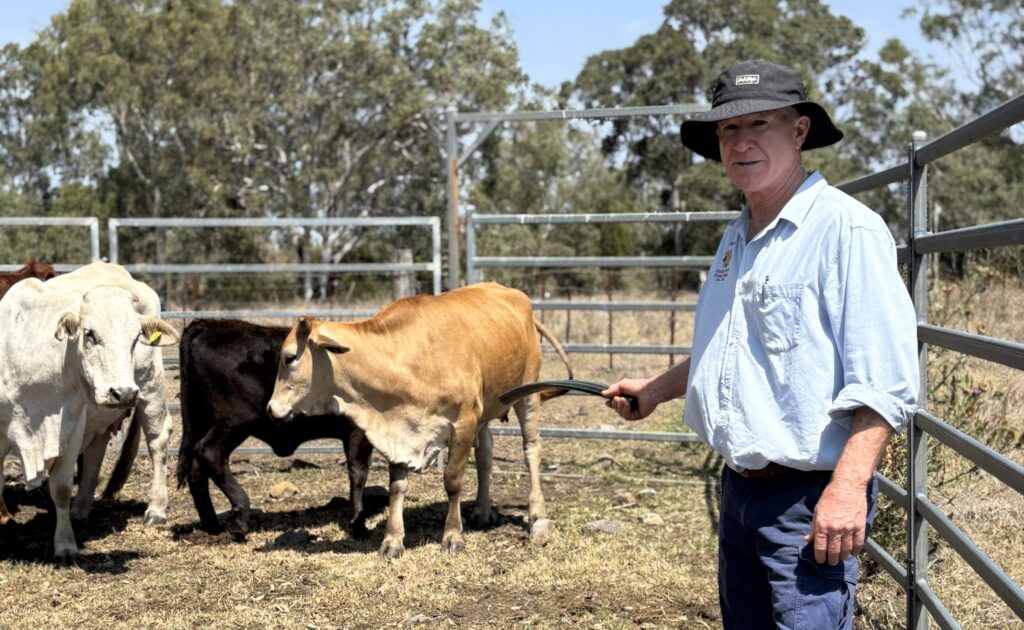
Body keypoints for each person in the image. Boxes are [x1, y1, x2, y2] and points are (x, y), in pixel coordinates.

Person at [603, 59, 919, 629]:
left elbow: (886, 383)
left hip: (806, 501)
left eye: (761, 125)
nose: (741, 142)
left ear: (799, 131)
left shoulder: (846, 230)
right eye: (728, 129)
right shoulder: (737, 236)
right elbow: (729, 348)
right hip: (741, 490)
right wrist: (654, 391)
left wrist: (847, 490)